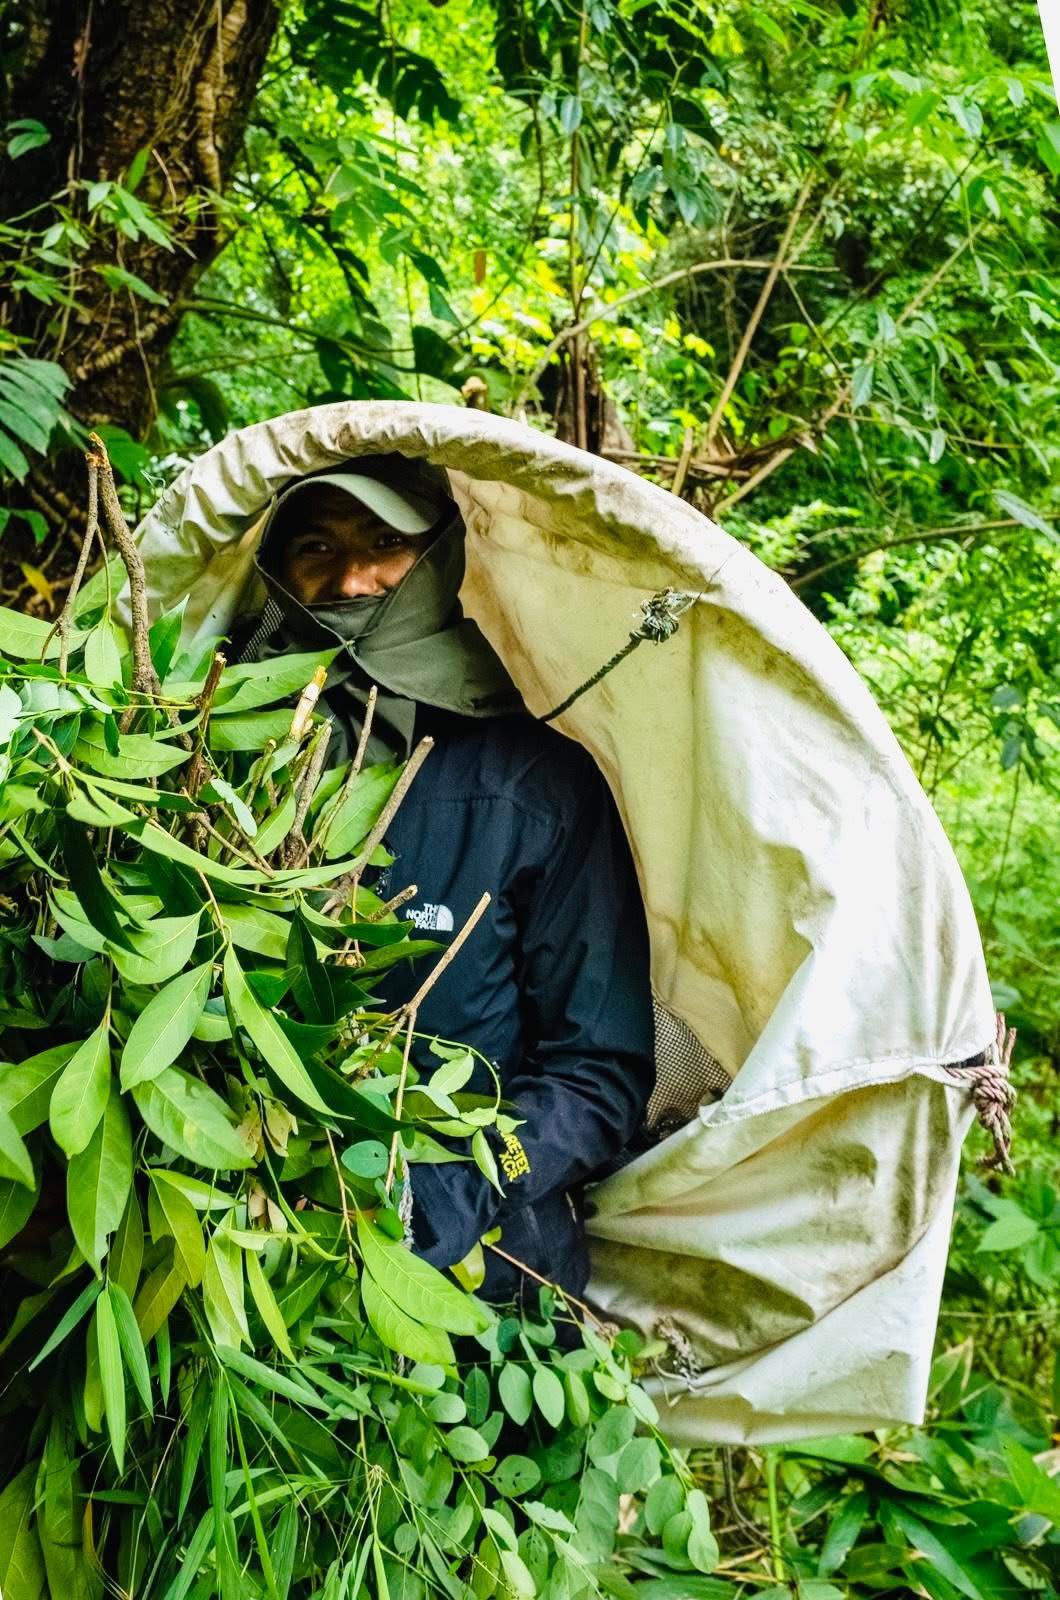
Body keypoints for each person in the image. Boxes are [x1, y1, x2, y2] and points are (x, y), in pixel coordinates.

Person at [232, 454, 656, 1307]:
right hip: (247, 1262)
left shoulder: (537, 786)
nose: (352, 577)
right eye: (314, 545)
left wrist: (463, 1177)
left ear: (445, 558)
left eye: (387, 542)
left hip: (488, 1284)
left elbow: (599, 1076)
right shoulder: (217, 756)